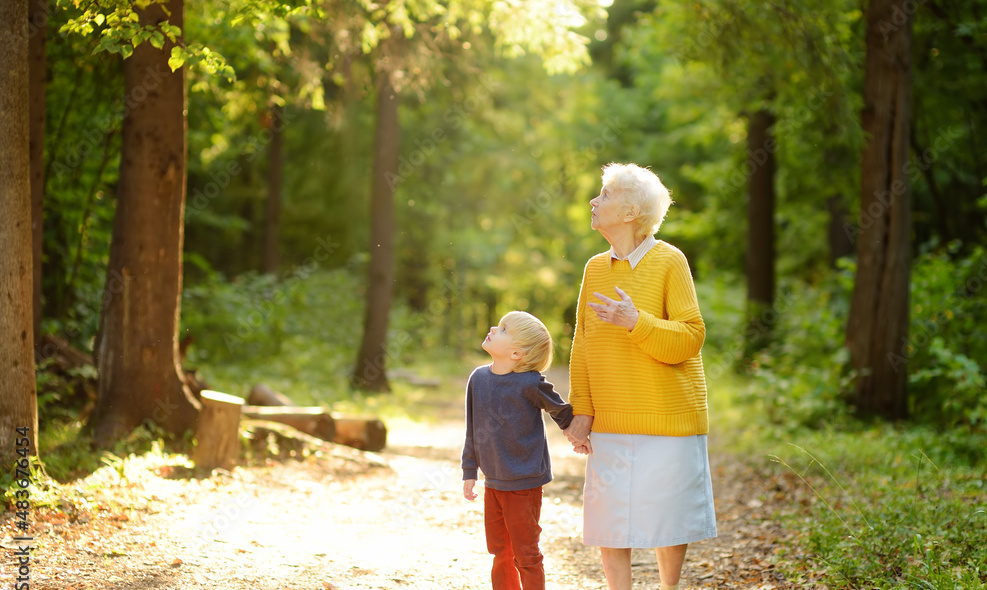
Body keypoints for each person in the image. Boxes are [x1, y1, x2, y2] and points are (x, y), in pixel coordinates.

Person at [563, 163, 717, 590]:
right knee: (609, 520)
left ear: (631, 212)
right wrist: (582, 410)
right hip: (612, 420)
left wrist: (637, 321)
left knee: (667, 517)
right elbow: (583, 344)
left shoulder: (670, 261)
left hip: (668, 419)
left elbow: (691, 336)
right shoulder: (594, 268)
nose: (594, 201)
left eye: (605, 195)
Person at [461, 310, 580, 590]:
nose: (492, 327)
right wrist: (469, 471)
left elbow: (560, 411)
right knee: (499, 551)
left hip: (524, 483)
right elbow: (472, 429)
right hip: (494, 482)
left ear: (516, 353)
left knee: (526, 553)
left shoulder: (529, 383)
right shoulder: (478, 379)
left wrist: (578, 434)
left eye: (502, 329)